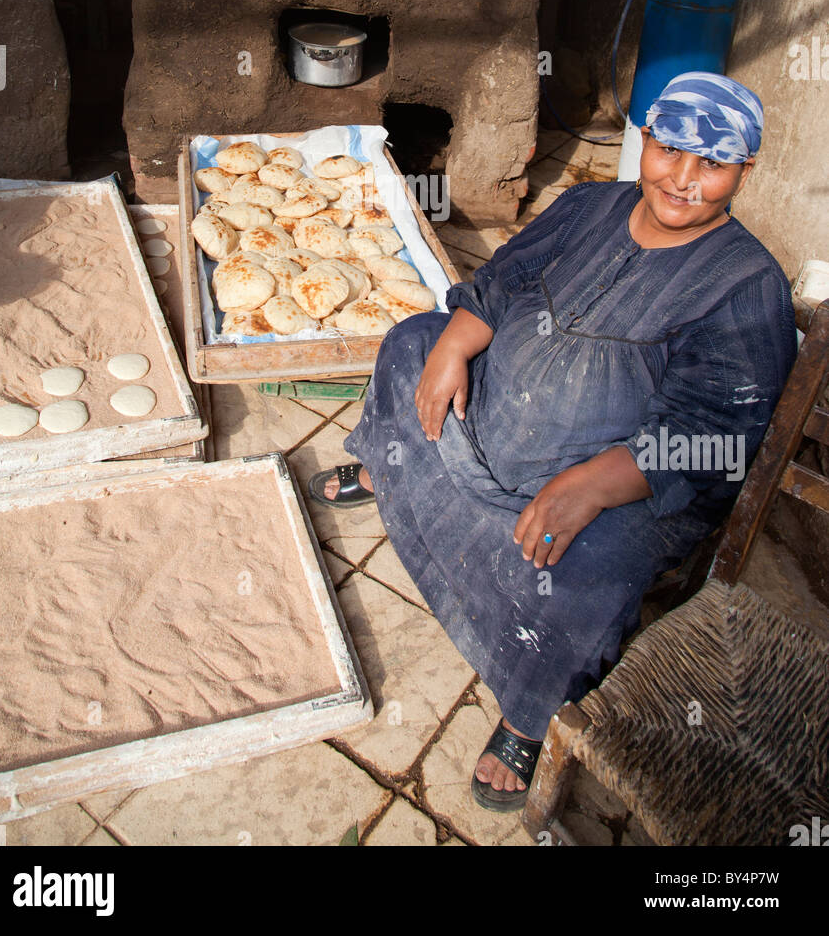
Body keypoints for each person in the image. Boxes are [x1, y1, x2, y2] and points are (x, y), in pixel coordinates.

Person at [309, 73, 797, 810]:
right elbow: (504, 281)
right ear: (645, 142)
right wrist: (455, 347)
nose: (685, 180)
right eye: (669, 151)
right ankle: (388, 462)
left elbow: (713, 435)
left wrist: (588, 486)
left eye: (713, 165)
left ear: (744, 173)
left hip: (614, 476)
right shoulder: (592, 204)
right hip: (497, 415)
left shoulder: (746, 283)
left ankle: (526, 711)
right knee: (413, 341)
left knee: (594, 570)